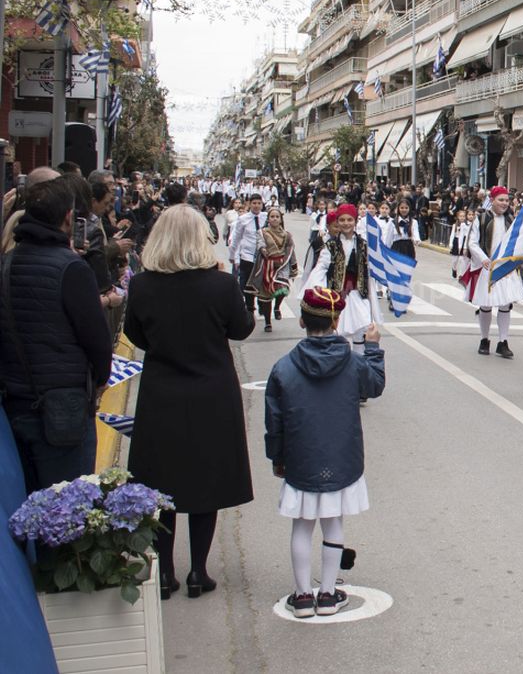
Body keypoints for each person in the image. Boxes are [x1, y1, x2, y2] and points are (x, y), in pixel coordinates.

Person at [124, 205, 255, 600]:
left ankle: (164, 572)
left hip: (162, 391)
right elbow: (242, 328)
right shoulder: (220, 284)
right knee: (206, 480)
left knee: (162, 484)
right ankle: (198, 570)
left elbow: (136, 335)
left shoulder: (143, 286)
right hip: (211, 391)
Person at [265, 288, 386, 619]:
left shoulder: (283, 367)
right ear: (337, 321)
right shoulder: (352, 363)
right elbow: (374, 386)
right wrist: (373, 347)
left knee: (302, 526)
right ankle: (329, 594)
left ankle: (303, 595)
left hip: (301, 457)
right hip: (342, 457)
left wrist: (277, 457)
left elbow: (274, 421)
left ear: (301, 320)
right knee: (333, 524)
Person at [0, 178, 113, 493]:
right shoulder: (71, 268)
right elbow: (97, 340)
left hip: (16, 408)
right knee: (68, 511)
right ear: (67, 217)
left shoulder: (6, 265)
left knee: (28, 508)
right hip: (65, 413)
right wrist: (101, 380)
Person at [306, 204, 380, 348]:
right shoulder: (331, 246)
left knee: (363, 331)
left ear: (356, 221)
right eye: (342, 220)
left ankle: (359, 366)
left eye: (349, 220)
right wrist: (315, 291)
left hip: (359, 295)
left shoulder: (364, 245)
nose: (346, 223)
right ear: (337, 222)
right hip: (337, 297)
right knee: (339, 334)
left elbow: (371, 269)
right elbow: (321, 268)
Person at [466, 187, 523, 357]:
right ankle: (484, 339)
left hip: (505, 267)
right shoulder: (482, 218)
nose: (505, 203)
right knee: (485, 305)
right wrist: (483, 258)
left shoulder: (512, 219)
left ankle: (503, 341)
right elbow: (473, 242)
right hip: (488, 266)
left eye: (507, 200)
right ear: (492, 200)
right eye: (501, 200)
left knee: (505, 305)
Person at [246, 208, 298, 333]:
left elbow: (291, 250)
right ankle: (268, 322)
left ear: (281, 219)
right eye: (272, 216)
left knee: (283, 288)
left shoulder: (287, 235)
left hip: (282, 265)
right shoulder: (262, 232)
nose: (274, 219)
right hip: (267, 264)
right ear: (268, 219)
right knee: (266, 295)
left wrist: (293, 266)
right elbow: (260, 244)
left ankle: (277, 307)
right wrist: (264, 251)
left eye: (277, 217)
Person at [229, 194, 267, 315]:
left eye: (259, 203)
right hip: (247, 256)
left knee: (262, 283)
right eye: (254, 203)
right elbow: (236, 238)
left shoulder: (266, 217)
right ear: (249, 204)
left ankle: (262, 303)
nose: (256, 206)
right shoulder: (243, 219)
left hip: (262, 257)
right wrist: (232, 255)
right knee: (247, 284)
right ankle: (250, 308)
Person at [449, 208, 471, 280]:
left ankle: (462, 274)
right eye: (460, 216)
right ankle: (454, 269)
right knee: (454, 260)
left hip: (463, 242)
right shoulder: (455, 225)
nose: (462, 218)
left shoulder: (467, 225)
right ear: (458, 217)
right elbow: (452, 235)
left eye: (463, 216)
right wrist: (451, 244)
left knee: (462, 259)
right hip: (456, 241)